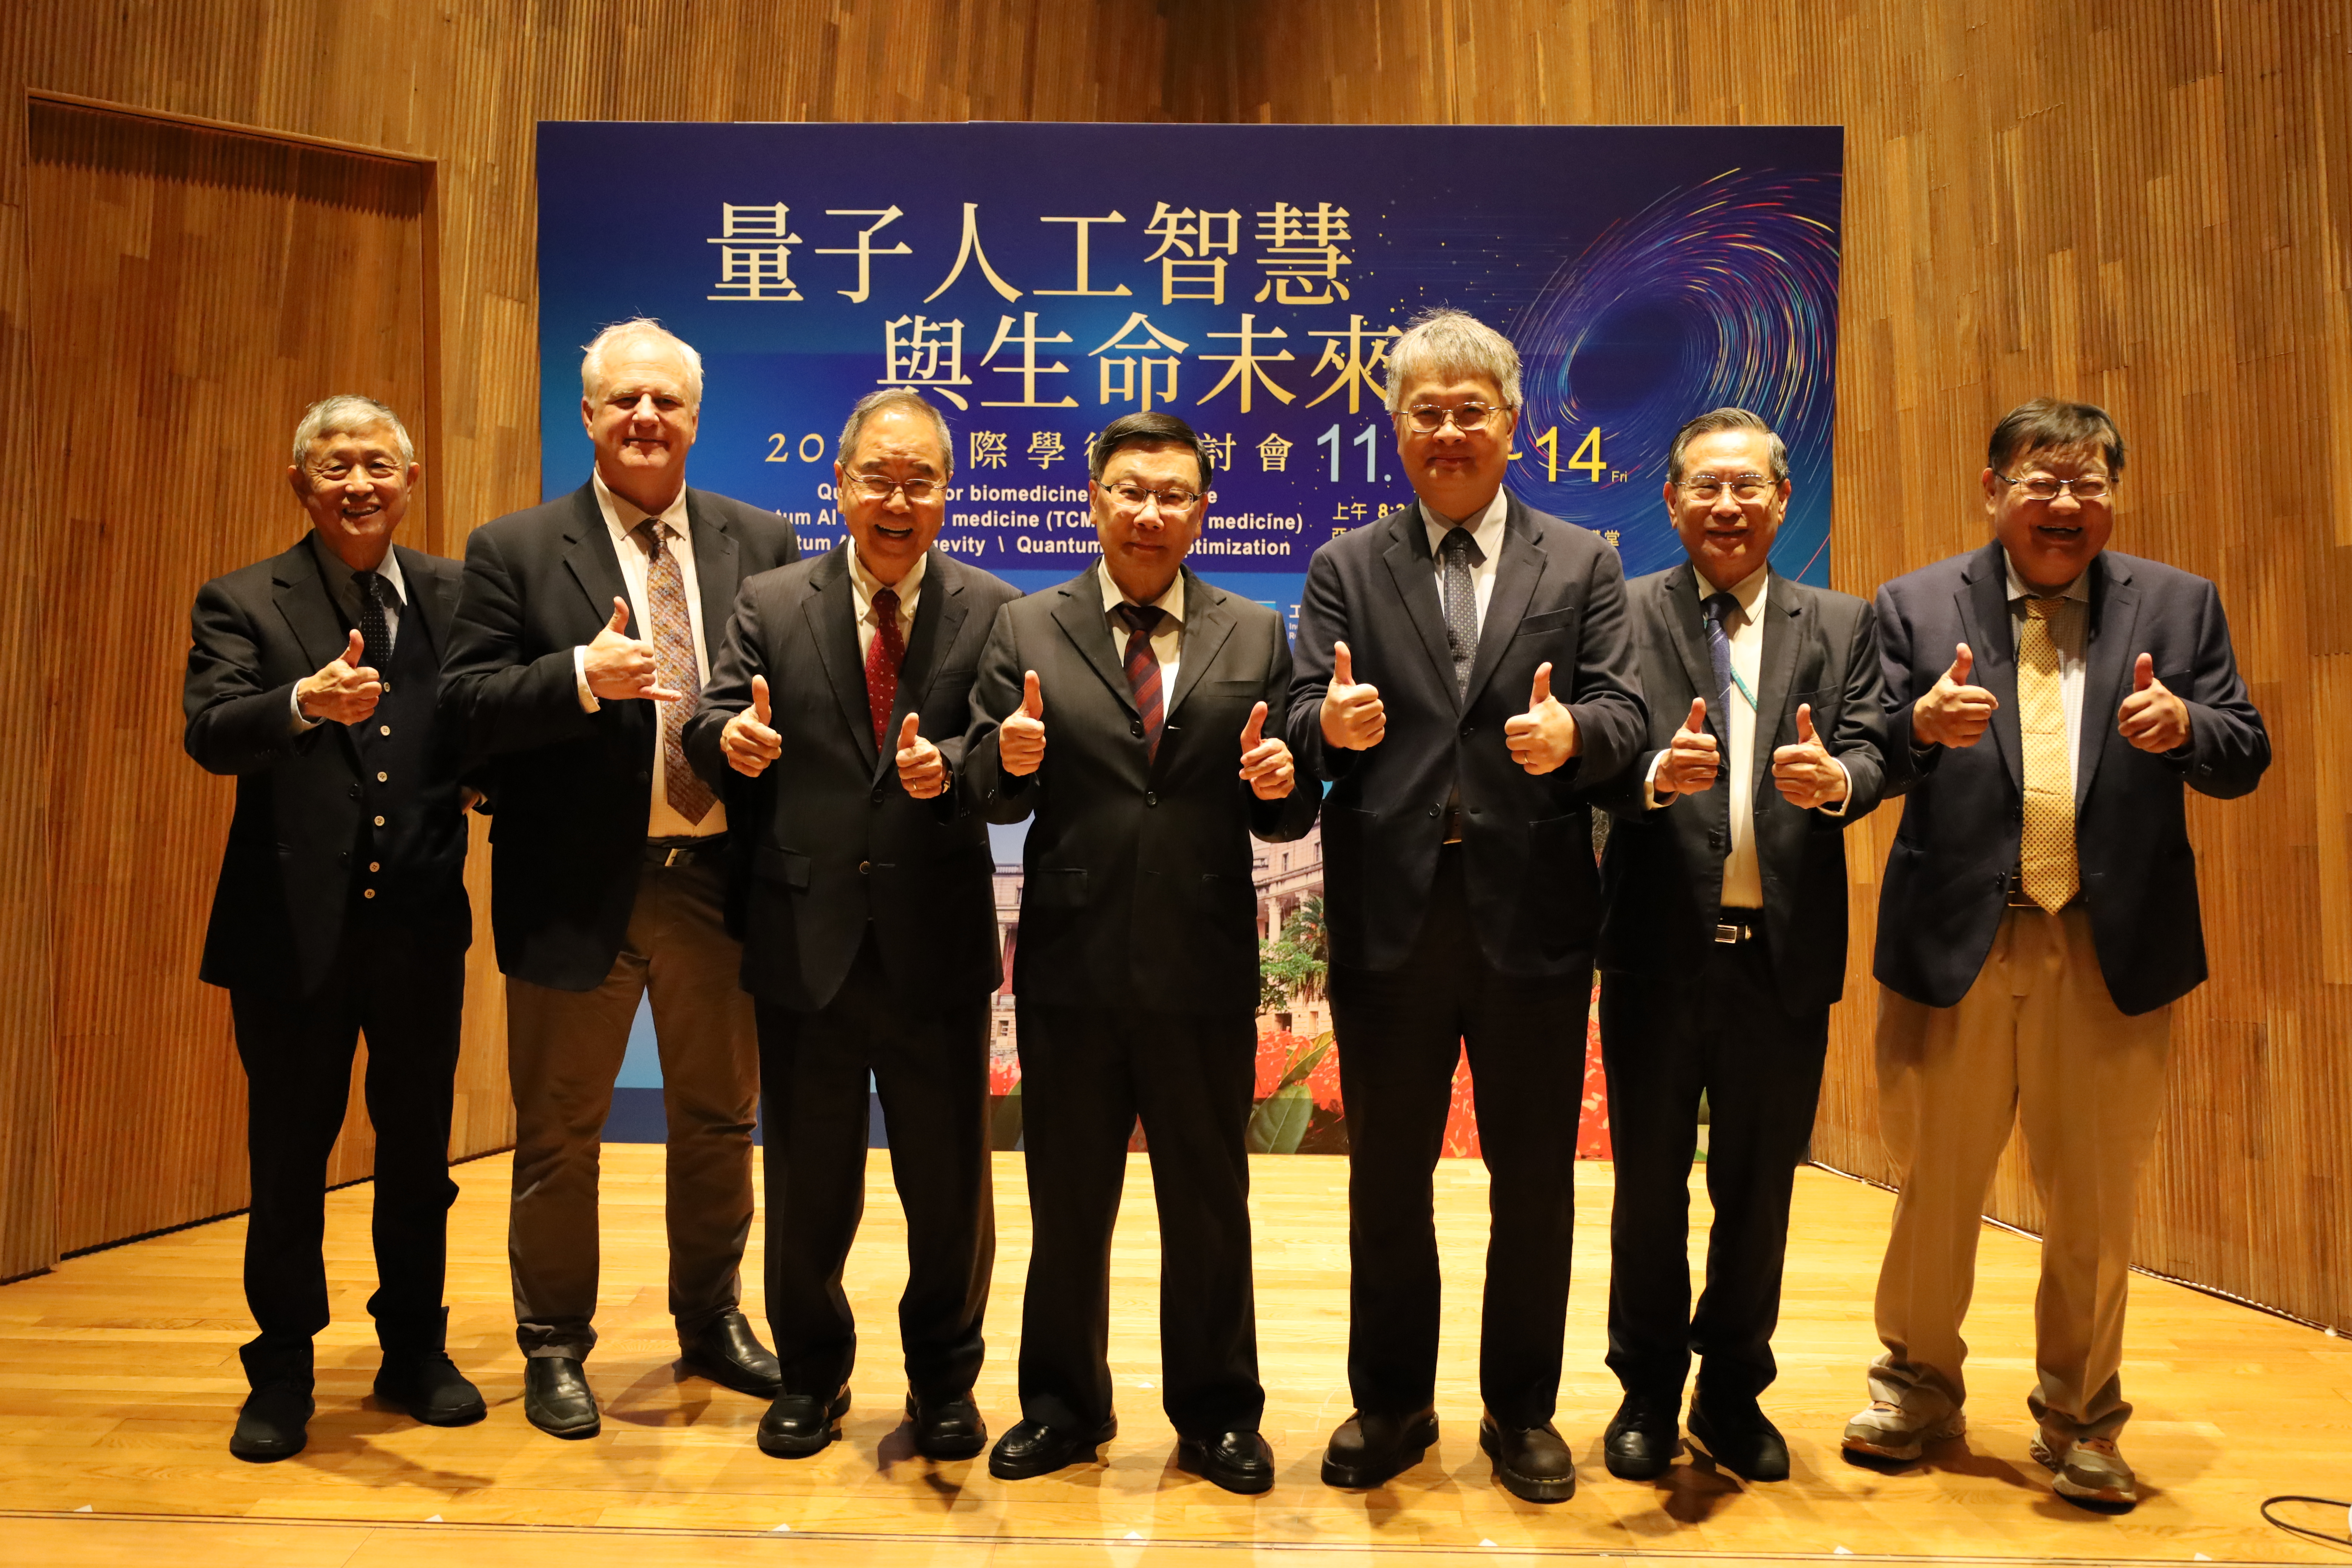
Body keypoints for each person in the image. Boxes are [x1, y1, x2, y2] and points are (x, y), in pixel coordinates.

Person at [1847, 399, 2269, 1508]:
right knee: (1935, 1183)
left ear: (2113, 499)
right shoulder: (1917, 603)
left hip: (2109, 946)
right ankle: (1917, 1386)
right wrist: (1916, 732)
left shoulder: (2177, 606)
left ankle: (2082, 1417)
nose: (2066, 503)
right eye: (2042, 480)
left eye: (2088, 482)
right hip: (1958, 945)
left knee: (2092, 1201)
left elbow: (2244, 749)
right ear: (1993, 492)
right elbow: (1864, 759)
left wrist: (2186, 726)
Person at [1287, 308, 1646, 1503]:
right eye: (1425, 412)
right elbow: (1297, 720)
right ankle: (1390, 1404)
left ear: (1513, 425)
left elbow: (1628, 716)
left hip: (1533, 913)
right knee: (1386, 1175)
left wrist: (1576, 735)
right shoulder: (1346, 567)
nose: (1449, 431)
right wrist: (1322, 729)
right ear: (1397, 429)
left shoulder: (1583, 562)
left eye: (1470, 410)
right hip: (1392, 915)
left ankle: (1521, 1412)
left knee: (1533, 1179)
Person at [441, 318, 798, 1438]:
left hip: (719, 879)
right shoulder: (512, 548)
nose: (647, 417)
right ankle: (554, 1347)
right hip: (574, 885)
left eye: (667, 401)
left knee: (716, 1119)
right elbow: (461, 709)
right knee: (558, 1132)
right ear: (586, 415)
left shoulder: (762, 539)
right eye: (623, 400)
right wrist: (576, 679)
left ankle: (711, 1318)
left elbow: (794, 690)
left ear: (696, 416)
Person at [964, 411, 1317, 1494]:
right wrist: (1009, 760)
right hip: (1071, 970)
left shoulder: (1255, 631)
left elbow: (1284, 800)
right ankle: (1063, 1406)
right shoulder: (1029, 627)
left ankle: (1216, 1413)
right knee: (1068, 1204)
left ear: (1204, 509)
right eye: (1130, 490)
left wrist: (1282, 787)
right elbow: (984, 779)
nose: (1151, 511)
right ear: (1095, 500)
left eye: (1174, 494)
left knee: (1209, 1206)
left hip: (1204, 964)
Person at [682, 389, 1019, 1462]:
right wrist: (724, 740)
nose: (897, 499)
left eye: (921, 479)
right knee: (809, 1183)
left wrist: (958, 769)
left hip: (936, 945)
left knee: (948, 1188)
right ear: (839, 485)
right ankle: (814, 1377)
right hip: (805, 937)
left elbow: (1005, 767)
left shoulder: (993, 607)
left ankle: (944, 1384)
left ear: (947, 495)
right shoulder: (773, 601)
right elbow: (710, 714)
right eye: (878, 476)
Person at [1592, 407, 1890, 1483]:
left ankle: (1730, 1394)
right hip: (1655, 951)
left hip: (1782, 957)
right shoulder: (1620, 617)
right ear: (1671, 502)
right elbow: (1592, 751)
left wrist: (1844, 781)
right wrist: (1644, 779)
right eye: (1704, 487)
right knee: (1650, 1191)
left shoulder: (1846, 625)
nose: (1726, 506)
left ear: (1780, 502)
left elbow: (1874, 743)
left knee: (1759, 1192)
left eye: (1748, 487)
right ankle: (1644, 1391)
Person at [184, 395, 482, 1461]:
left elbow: (480, 721)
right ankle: (283, 1372)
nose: (359, 483)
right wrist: (303, 703)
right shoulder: (242, 601)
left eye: (378, 464)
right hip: (288, 938)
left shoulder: (457, 592)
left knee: (417, 1158)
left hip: (417, 931)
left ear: (411, 482)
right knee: (288, 1161)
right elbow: (211, 734)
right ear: (301, 485)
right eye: (335, 465)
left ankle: (414, 1349)